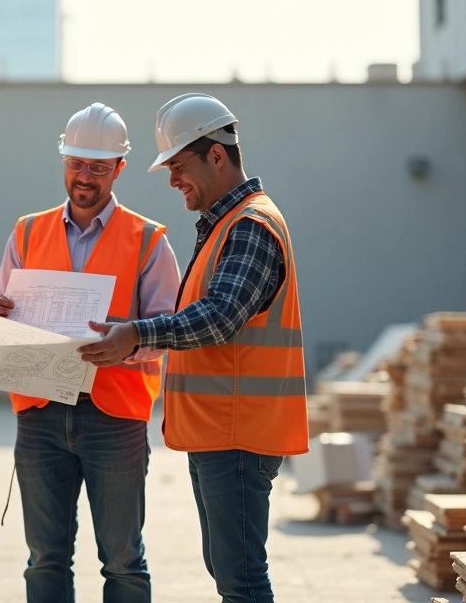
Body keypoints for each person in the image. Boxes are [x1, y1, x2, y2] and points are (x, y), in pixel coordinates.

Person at [78, 93, 308, 603]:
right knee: (231, 573)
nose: (172, 178)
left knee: (241, 579)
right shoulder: (228, 225)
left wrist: (137, 334)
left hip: (238, 433)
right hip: (222, 430)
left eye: (178, 166)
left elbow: (222, 317)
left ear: (217, 156)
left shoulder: (250, 226)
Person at [0, 103, 179, 603]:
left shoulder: (149, 241)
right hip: (41, 417)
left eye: (97, 166)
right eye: (76, 163)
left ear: (119, 169)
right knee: (45, 559)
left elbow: (171, 331)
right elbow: (4, 321)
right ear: (63, 160)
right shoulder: (26, 233)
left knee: (122, 561)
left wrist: (127, 344)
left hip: (115, 418)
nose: (84, 176)